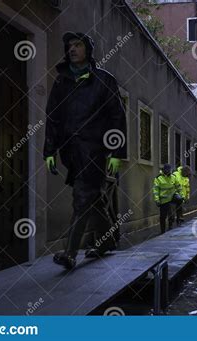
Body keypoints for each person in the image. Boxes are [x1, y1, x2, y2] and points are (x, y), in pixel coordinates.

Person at [43, 32, 127, 270]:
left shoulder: (104, 80)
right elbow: (53, 118)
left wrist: (118, 153)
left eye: (77, 45)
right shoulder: (61, 82)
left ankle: (70, 253)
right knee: (94, 199)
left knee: (81, 198)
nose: (72, 49)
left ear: (87, 50)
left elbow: (117, 117)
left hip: (95, 151)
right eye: (69, 45)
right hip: (70, 152)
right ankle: (108, 239)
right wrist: (49, 151)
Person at [153, 164, 183, 234]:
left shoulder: (173, 177)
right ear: (163, 170)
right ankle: (162, 230)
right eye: (167, 171)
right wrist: (157, 200)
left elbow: (178, 186)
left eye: (169, 171)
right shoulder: (158, 178)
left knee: (178, 203)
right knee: (163, 216)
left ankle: (175, 222)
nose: (168, 172)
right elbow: (156, 190)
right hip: (163, 200)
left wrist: (181, 195)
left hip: (172, 197)